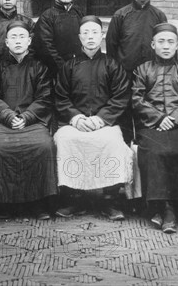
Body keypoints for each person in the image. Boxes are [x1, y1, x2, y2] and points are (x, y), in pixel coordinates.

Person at [53, 16, 133, 220]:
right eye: (86, 33)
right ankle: (74, 197)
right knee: (66, 140)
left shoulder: (112, 65)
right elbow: (60, 97)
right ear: (79, 37)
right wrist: (76, 118)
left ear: (102, 36)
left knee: (112, 142)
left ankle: (110, 199)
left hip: (104, 123)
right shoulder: (69, 66)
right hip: (75, 123)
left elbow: (120, 96)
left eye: (94, 32)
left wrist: (101, 119)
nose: (90, 37)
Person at [0, 20, 56, 219]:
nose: (18, 41)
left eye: (22, 37)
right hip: (3, 122)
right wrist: (8, 116)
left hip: (32, 122)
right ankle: (1, 203)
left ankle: (37, 203)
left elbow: (45, 97)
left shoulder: (39, 67)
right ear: (6, 42)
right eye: (13, 37)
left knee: (43, 145)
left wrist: (27, 117)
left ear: (30, 41)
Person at [132, 23, 178, 233]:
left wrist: (172, 118)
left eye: (170, 42)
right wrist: (159, 118)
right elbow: (137, 98)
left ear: (177, 45)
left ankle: (175, 206)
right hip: (151, 127)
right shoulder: (142, 70)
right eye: (161, 41)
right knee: (155, 152)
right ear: (153, 44)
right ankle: (161, 206)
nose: (165, 46)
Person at [106, 0, 168, 77]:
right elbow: (111, 47)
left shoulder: (159, 16)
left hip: (152, 75)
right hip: (125, 76)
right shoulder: (120, 15)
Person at [32, 0, 84, 76]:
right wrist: (64, 70)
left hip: (79, 71)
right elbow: (47, 49)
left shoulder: (79, 13)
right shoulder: (47, 16)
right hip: (56, 73)